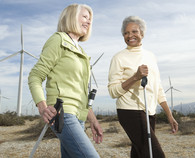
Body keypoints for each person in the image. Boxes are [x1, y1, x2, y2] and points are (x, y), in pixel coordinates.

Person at [28, 4, 103, 158]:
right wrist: (42, 107)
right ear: (71, 17)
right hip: (63, 114)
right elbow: (35, 76)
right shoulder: (58, 40)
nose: (89, 22)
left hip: (79, 116)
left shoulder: (81, 51)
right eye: (84, 17)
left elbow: (80, 92)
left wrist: (92, 119)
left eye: (90, 19)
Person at [108, 16, 178, 158]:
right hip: (129, 110)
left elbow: (158, 88)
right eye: (126, 33)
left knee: (140, 152)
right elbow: (113, 91)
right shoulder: (118, 58)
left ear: (142, 34)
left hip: (150, 111)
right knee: (155, 154)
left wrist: (169, 115)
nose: (130, 36)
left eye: (134, 32)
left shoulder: (151, 56)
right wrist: (135, 77)